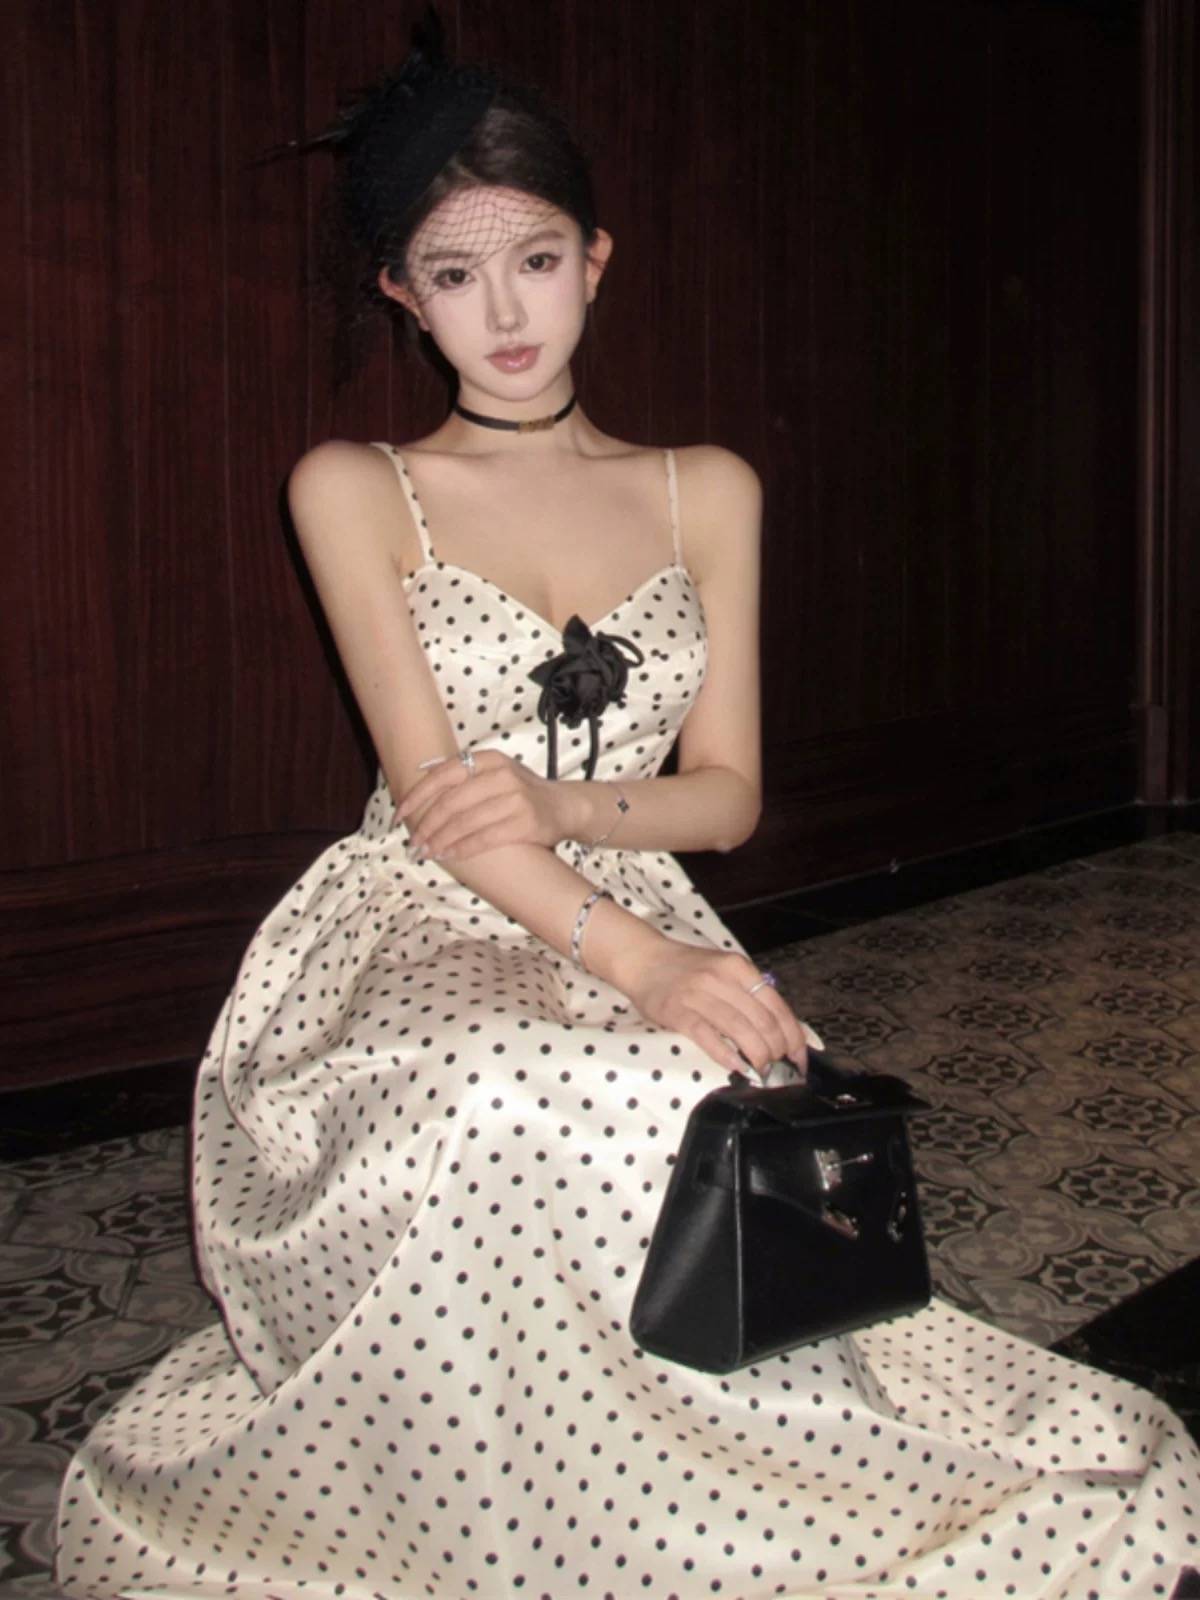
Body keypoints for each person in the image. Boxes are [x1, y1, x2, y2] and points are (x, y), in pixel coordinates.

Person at [55, 14, 1200, 1600]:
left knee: (695, 1095)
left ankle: (709, 1486)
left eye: (535, 260)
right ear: (401, 295)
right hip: (415, 913)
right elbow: (436, 808)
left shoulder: (703, 485)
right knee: (501, 1084)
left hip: (630, 888)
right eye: (454, 275)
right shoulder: (352, 485)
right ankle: (488, 1494)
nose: (502, 312)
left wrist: (569, 814)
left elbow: (726, 800)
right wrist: (641, 960)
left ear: (597, 260)